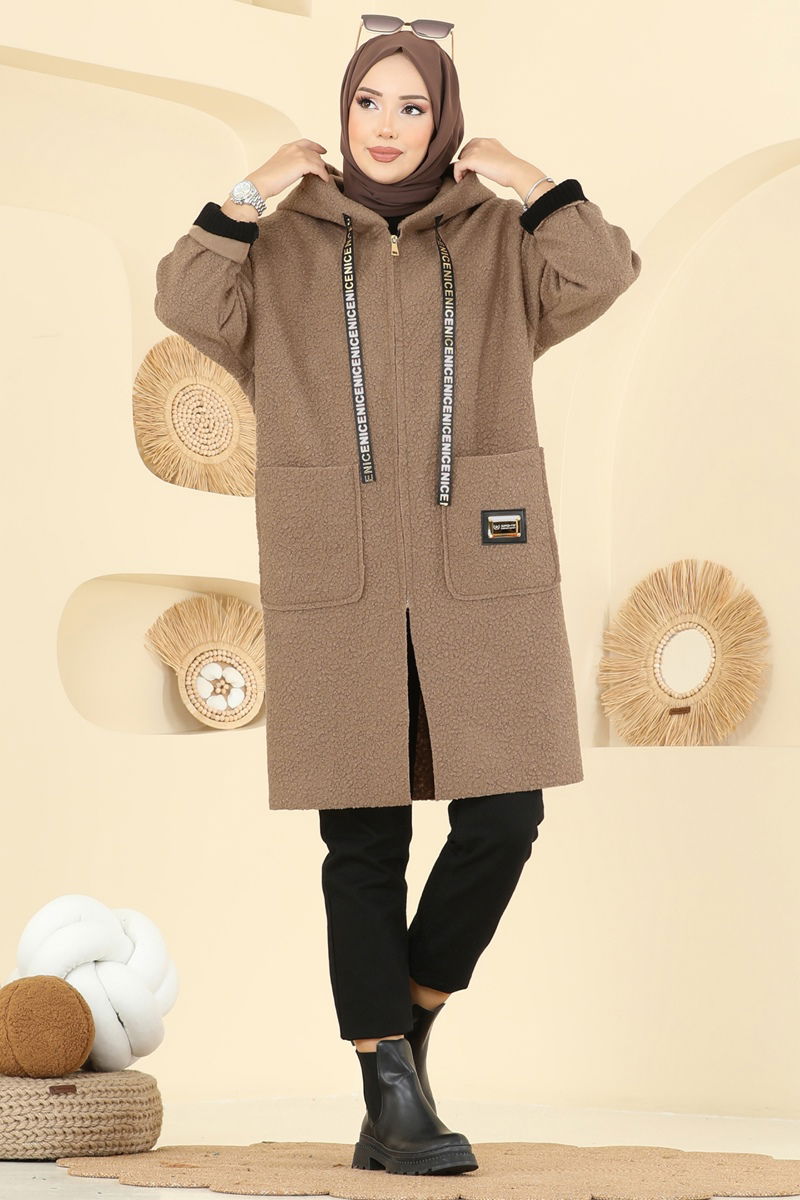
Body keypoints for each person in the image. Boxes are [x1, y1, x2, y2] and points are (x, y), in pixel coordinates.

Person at [154, 15, 641, 1180]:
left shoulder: (496, 240)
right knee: (361, 839)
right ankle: (389, 1088)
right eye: (367, 102)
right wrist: (249, 189)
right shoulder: (280, 244)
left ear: (442, 118)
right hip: (342, 567)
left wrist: (528, 179)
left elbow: (603, 271)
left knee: (503, 818)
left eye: (411, 105)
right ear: (342, 114)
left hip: (479, 564)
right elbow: (182, 295)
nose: (385, 125)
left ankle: (404, 1021)